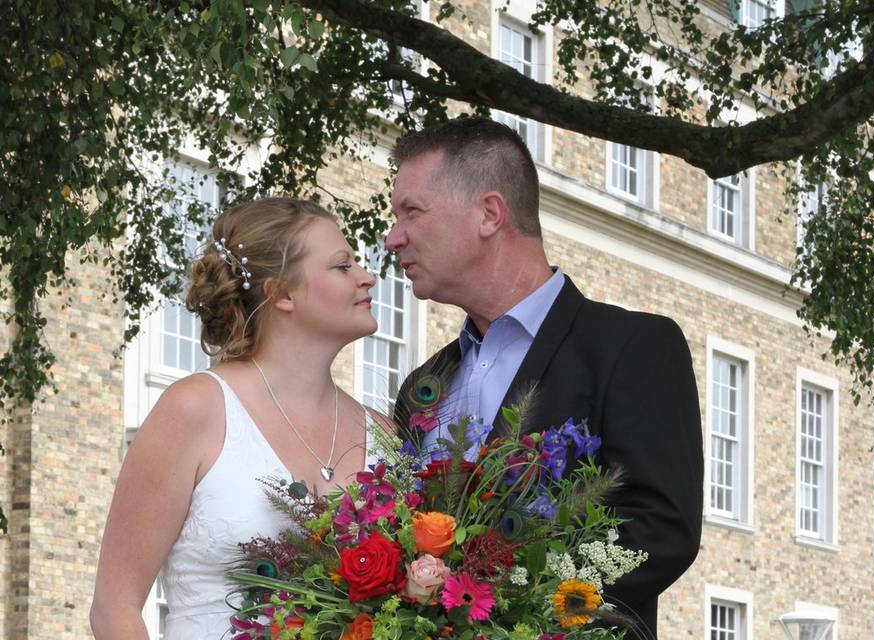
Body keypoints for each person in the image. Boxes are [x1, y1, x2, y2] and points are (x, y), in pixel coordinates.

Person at [387, 118, 703, 639]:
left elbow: (661, 528)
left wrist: (510, 609)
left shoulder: (634, 347)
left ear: (490, 213)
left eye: (411, 212)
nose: (393, 236)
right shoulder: (426, 384)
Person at [90, 198, 378, 639]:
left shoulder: (387, 436)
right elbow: (115, 609)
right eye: (343, 266)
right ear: (281, 294)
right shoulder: (194, 410)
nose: (367, 277)